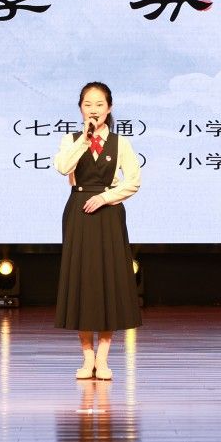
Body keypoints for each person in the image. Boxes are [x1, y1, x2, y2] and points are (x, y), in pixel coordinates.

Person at [53, 82, 142, 380]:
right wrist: (84, 139)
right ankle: (86, 356)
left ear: (109, 108)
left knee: (108, 282)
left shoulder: (120, 143)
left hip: (108, 212)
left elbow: (134, 181)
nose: (94, 110)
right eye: (88, 104)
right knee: (82, 280)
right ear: (80, 108)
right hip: (79, 212)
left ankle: (103, 358)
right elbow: (62, 167)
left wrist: (106, 197)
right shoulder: (71, 140)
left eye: (99, 104)